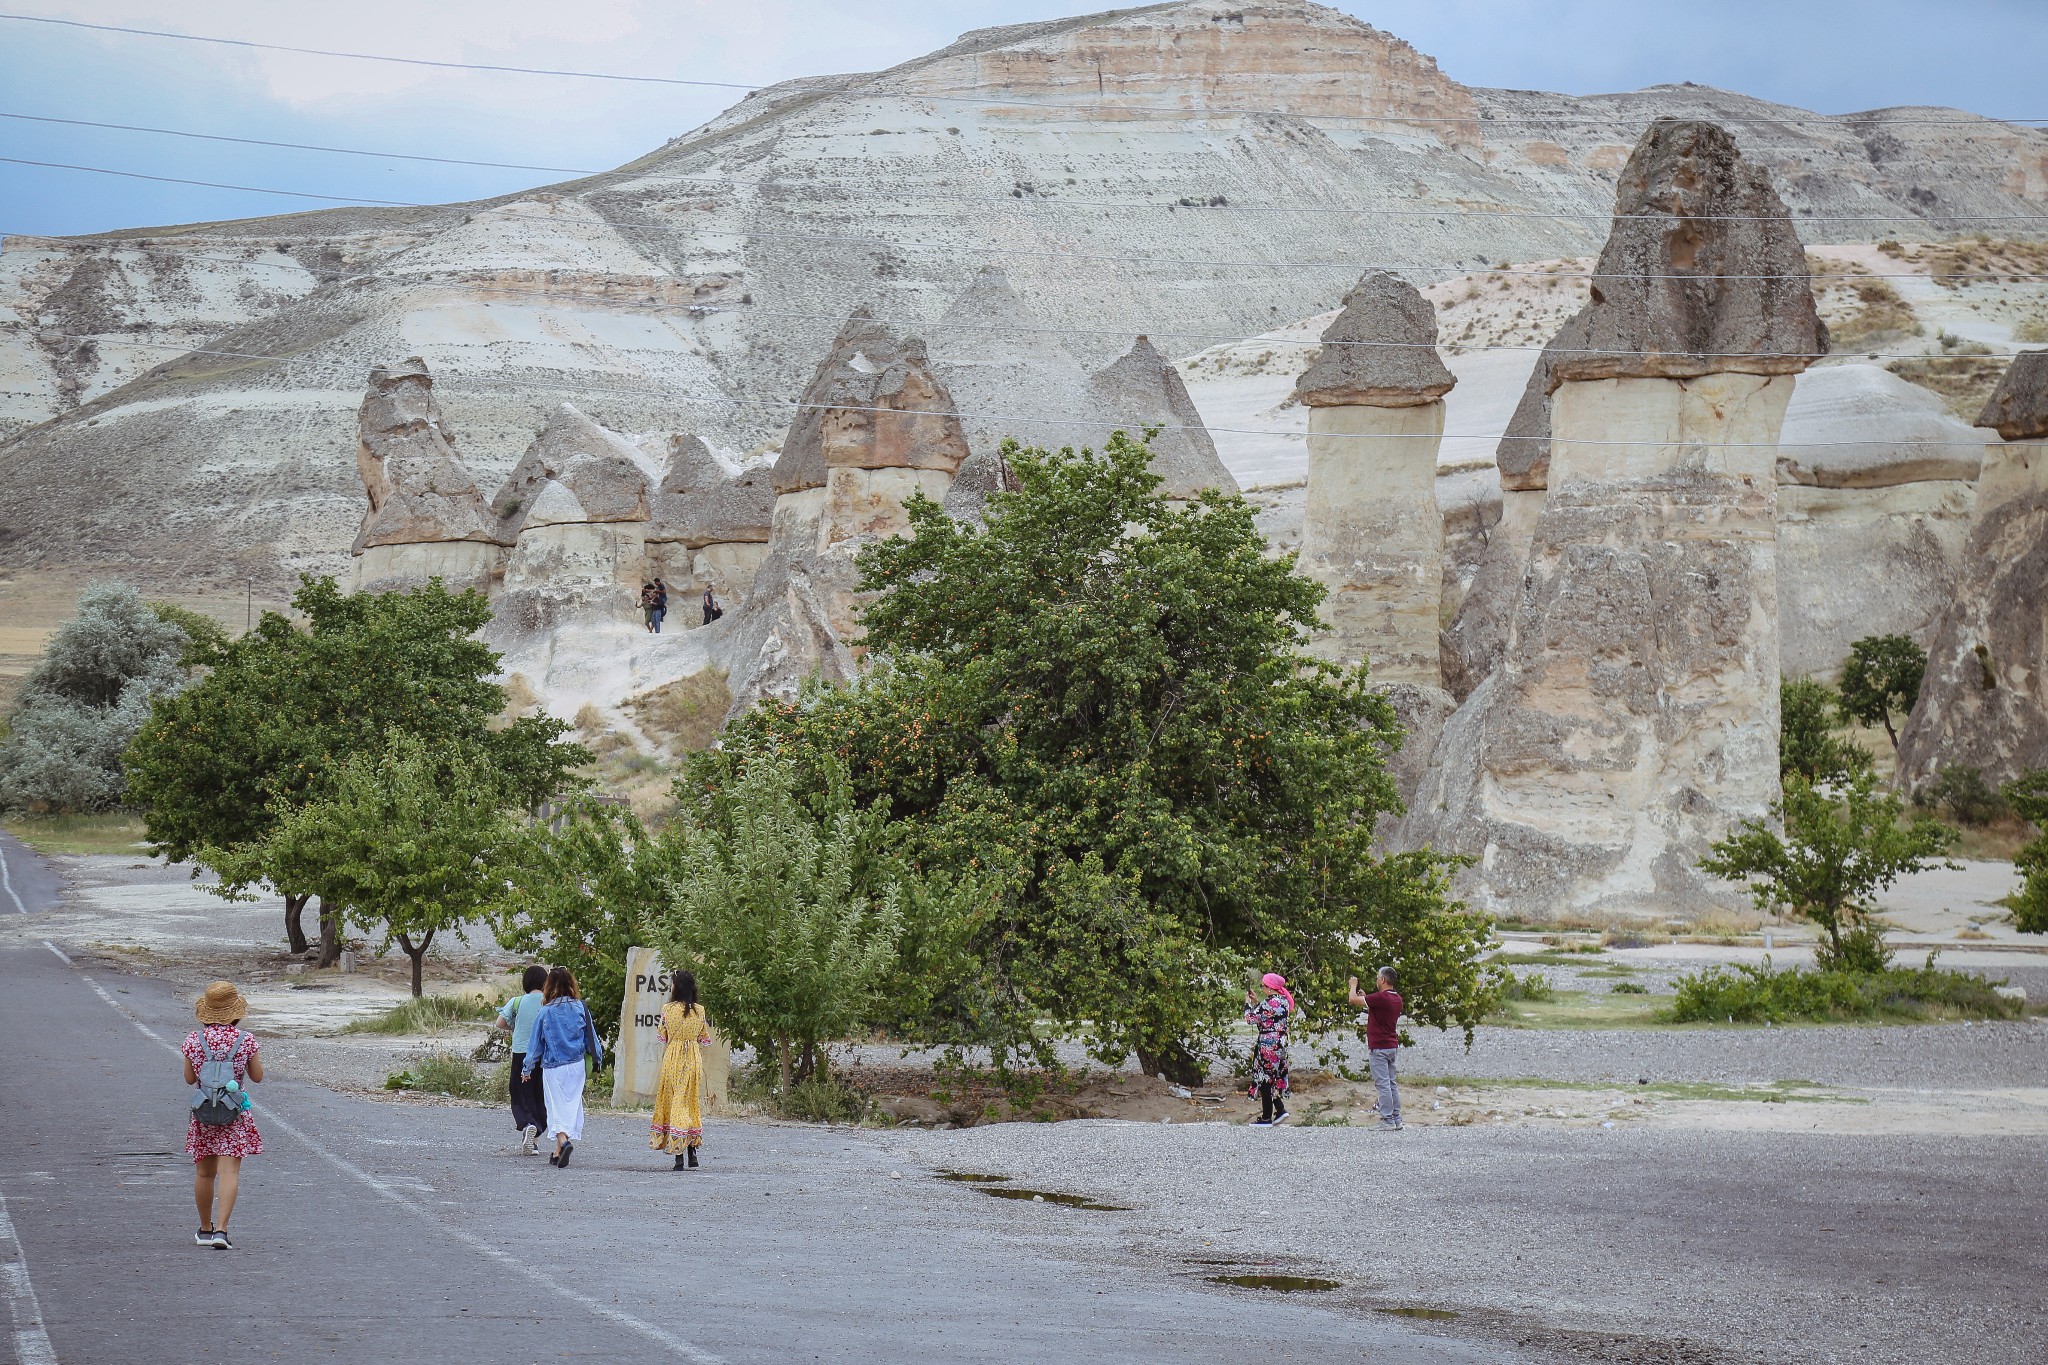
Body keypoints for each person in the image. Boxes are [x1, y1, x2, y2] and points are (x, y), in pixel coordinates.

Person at [181, 981, 264, 1249]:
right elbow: (257, 1077)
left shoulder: (194, 1040)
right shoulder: (246, 1040)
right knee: (229, 1173)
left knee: (204, 1173)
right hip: (233, 1113)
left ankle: (205, 1229)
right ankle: (222, 1231)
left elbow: (189, 1078)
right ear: (235, 1012)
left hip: (204, 1112)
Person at [522, 966, 603, 1168]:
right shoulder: (580, 1007)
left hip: (553, 1066)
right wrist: (597, 1062)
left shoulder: (545, 1012)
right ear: (571, 984)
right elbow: (591, 1038)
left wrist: (527, 1068)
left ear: (548, 986)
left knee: (555, 1107)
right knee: (571, 1106)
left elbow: (534, 1045)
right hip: (576, 1066)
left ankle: (564, 1142)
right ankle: (558, 1151)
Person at [648, 970, 710, 1170]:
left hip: (673, 1056)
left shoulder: (667, 1009)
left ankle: (678, 1156)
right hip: (692, 1057)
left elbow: (662, 1036)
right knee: (690, 1102)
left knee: (676, 1103)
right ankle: (692, 1152)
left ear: (677, 987)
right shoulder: (699, 1010)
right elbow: (703, 1038)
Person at [494, 965, 549, 1155]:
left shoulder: (517, 1002)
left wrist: (517, 1027)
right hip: (544, 1055)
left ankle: (527, 1124)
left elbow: (500, 1022)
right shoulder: (548, 1002)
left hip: (521, 1053)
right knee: (540, 1095)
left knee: (520, 1093)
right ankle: (533, 1140)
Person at [1348, 968, 1405, 1131]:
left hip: (1379, 1046)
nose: (1376, 980)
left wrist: (1353, 985)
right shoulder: (1396, 998)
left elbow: (1352, 999)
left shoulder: (1382, 997)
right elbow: (1376, 1009)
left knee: (1383, 1084)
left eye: (1377, 977)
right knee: (1391, 1083)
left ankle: (1387, 1119)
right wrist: (1365, 998)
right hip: (1391, 1045)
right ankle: (1396, 1117)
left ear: (1382, 980)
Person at [1244, 972, 1294, 1126]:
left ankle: (1266, 1117)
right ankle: (1279, 1109)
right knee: (1273, 1076)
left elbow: (1250, 1018)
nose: (1262, 988)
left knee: (1265, 1078)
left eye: (1263, 986)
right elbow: (1269, 1015)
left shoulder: (1270, 1003)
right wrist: (1257, 1001)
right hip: (1280, 1043)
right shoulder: (1283, 1001)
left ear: (1270, 988)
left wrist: (1247, 1004)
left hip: (1268, 1044)